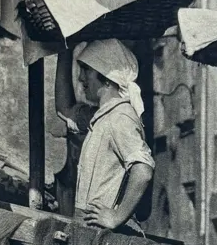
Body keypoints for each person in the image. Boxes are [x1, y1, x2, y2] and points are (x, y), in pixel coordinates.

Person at [53, 38, 154, 233]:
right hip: (91, 230)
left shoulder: (120, 117)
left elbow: (143, 170)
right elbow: (64, 109)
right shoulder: (102, 116)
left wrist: (116, 217)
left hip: (107, 234)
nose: (81, 78)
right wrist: (64, 50)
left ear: (107, 79)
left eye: (86, 70)